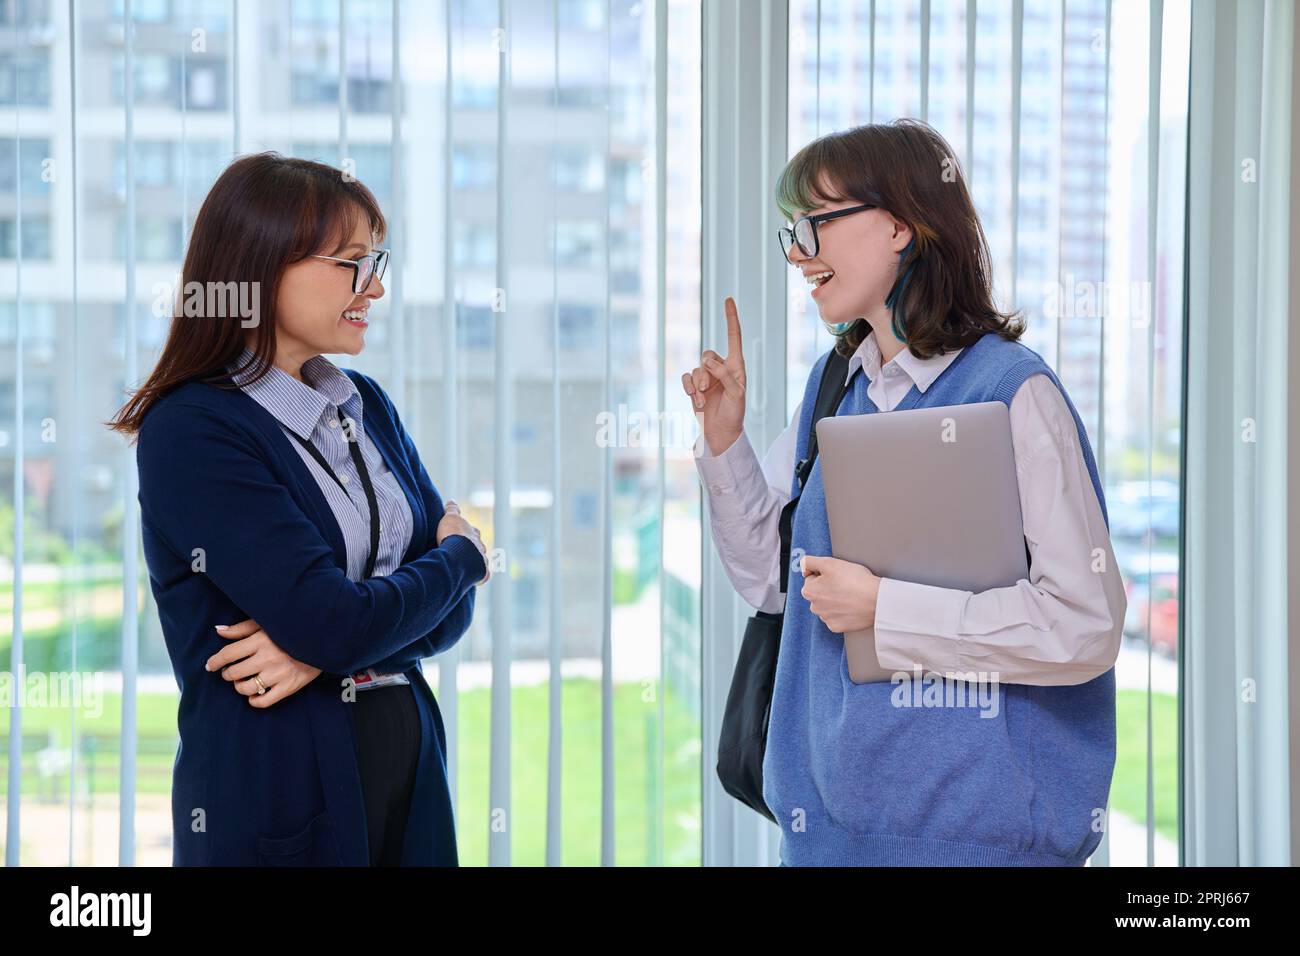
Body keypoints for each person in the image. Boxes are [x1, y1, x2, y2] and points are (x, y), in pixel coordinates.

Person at [683, 119, 1127, 866]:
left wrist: (887, 610)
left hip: (982, 847)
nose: (800, 253)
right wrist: (725, 443)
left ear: (898, 225)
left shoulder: (1014, 392)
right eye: (794, 231)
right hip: (829, 838)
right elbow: (775, 584)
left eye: (817, 223)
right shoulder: (833, 391)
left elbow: (1085, 623)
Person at [109, 152, 489, 866]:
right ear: (263, 267)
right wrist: (461, 556)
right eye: (351, 261)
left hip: (410, 779)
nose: (373, 287)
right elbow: (349, 617)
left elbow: (449, 617)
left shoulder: (367, 404)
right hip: (279, 799)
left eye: (376, 261)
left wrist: (320, 651)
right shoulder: (193, 430)